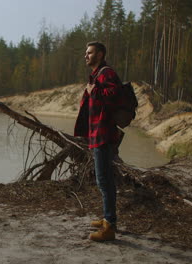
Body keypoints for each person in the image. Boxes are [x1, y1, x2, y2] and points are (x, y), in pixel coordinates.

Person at [74, 41, 123, 242]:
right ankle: (107, 218)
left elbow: (115, 95)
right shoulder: (97, 75)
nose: (86, 55)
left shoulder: (106, 73)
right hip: (97, 134)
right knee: (103, 180)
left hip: (104, 135)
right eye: (85, 52)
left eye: (90, 52)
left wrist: (94, 90)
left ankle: (110, 226)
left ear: (100, 54)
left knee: (105, 180)